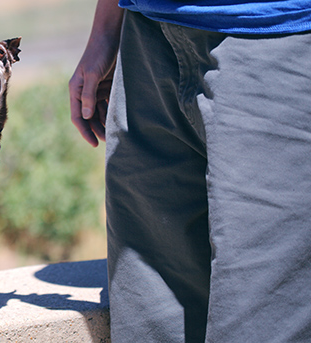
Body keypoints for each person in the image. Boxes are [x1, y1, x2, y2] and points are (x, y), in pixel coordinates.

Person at [68, 0, 311, 342]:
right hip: (145, 33)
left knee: (261, 325)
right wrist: (106, 27)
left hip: (277, 33)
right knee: (149, 326)